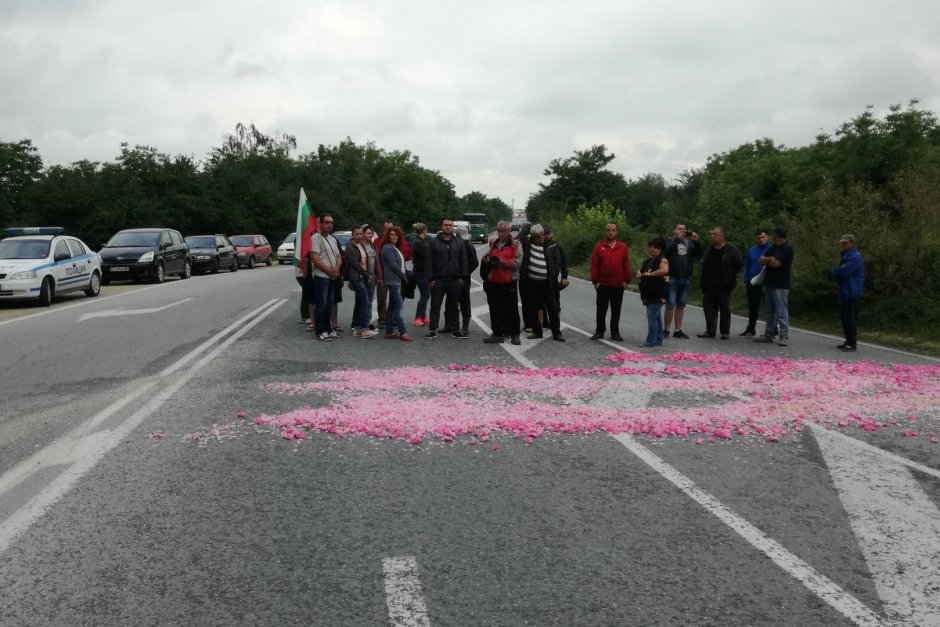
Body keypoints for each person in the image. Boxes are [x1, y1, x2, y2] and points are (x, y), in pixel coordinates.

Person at [520, 224, 565, 341]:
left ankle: (557, 333)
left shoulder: (551, 245)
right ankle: (537, 331)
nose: (541, 238)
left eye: (542, 235)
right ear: (533, 237)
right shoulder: (528, 244)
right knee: (532, 307)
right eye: (537, 236)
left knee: (553, 308)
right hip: (532, 283)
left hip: (548, 283)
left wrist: (553, 274)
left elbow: (558, 262)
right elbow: (520, 236)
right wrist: (528, 228)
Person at [697, 226, 743, 339]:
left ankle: (725, 331)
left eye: (715, 234)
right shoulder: (710, 248)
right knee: (708, 307)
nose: (713, 236)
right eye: (712, 234)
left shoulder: (730, 249)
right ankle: (710, 330)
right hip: (709, 283)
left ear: (722, 235)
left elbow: (739, 263)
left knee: (724, 308)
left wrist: (731, 274)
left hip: (724, 283)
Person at [425, 218, 467, 339]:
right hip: (438, 280)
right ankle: (432, 329)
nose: (448, 227)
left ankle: (455, 329)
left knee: (454, 305)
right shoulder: (433, 242)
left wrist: (462, 277)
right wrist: (431, 279)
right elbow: (429, 261)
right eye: (445, 225)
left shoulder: (459, 242)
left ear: (452, 227)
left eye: (450, 225)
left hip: (455, 280)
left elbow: (464, 260)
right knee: (435, 305)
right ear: (441, 226)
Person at [481, 221, 522, 345]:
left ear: (509, 231)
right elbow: (489, 256)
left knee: (512, 309)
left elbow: (517, 262)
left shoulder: (515, 243)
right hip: (494, 282)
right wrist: (488, 260)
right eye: (498, 231)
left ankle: (515, 335)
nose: (500, 233)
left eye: (502, 231)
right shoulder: (496, 244)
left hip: (509, 282)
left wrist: (501, 262)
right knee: (494, 310)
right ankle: (497, 334)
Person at [590, 222, 631, 341]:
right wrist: (595, 280)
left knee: (616, 310)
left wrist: (626, 280)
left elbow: (626, 264)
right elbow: (594, 265)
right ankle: (599, 331)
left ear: (616, 232)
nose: (610, 232)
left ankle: (615, 332)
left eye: (613, 230)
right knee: (601, 309)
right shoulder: (599, 247)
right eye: (608, 230)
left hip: (618, 285)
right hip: (603, 284)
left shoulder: (622, 247)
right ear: (605, 232)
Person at [754, 226, 794, 347]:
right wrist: (770, 258)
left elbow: (777, 264)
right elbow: (760, 260)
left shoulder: (788, 248)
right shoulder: (773, 247)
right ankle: (768, 334)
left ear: (777, 235)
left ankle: (784, 336)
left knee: (781, 311)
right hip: (768, 283)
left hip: (781, 284)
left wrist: (768, 260)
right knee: (769, 311)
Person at [662, 223, 702, 339]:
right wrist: (676, 240)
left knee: (681, 305)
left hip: (685, 278)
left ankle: (678, 330)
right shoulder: (670, 241)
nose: (682, 231)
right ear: (674, 230)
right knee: (670, 304)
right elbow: (666, 253)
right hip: (672, 277)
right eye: (679, 228)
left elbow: (699, 254)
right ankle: (666, 329)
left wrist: (696, 241)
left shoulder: (689, 243)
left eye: (684, 229)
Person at [309, 213, 342, 341]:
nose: (330, 225)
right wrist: (329, 271)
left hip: (332, 276)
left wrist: (337, 269)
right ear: (320, 224)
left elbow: (338, 256)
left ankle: (328, 329)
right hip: (322, 276)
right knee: (321, 303)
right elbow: (315, 259)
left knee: (329, 303)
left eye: (332, 223)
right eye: (327, 222)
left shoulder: (333, 239)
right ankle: (320, 331)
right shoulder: (316, 238)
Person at [343, 226, 378, 338]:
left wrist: (367, 274)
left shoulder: (361, 245)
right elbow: (355, 264)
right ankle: (364, 329)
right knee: (364, 301)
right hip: (356, 277)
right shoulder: (350, 246)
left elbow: (366, 260)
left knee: (359, 302)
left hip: (362, 276)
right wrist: (367, 275)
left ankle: (357, 327)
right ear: (352, 235)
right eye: (357, 234)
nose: (359, 236)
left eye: (360, 234)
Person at [831, 233, 864, 352]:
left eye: (845, 243)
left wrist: (835, 270)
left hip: (852, 291)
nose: (842, 245)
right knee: (845, 318)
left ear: (851, 243)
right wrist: (837, 270)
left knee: (850, 318)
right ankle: (848, 340)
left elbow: (844, 271)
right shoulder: (846, 256)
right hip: (845, 291)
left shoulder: (855, 256)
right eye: (842, 243)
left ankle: (852, 342)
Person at [379, 226, 413, 341]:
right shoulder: (387, 248)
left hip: (396, 280)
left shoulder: (394, 247)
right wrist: (404, 276)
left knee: (392, 308)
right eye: (392, 234)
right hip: (394, 281)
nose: (394, 237)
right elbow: (393, 265)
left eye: (396, 235)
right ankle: (403, 332)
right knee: (398, 308)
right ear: (388, 236)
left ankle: (389, 331)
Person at [637, 237, 669, 347]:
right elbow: (641, 272)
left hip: (657, 293)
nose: (651, 249)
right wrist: (639, 274)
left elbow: (664, 270)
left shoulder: (662, 260)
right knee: (657, 317)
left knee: (651, 317)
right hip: (648, 293)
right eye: (650, 247)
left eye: (654, 247)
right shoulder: (648, 261)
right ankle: (658, 339)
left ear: (660, 249)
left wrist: (650, 274)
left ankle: (651, 341)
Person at [740, 229, 772, 336]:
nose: (761, 239)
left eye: (763, 237)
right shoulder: (752, 251)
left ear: (767, 237)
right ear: (756, 239)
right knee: (753, 307)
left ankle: (772, 330)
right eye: (759, 238)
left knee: (770, 307)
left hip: (767, 282)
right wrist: (746, 280)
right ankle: (751, 328)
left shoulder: (772, 249)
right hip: (753, 281)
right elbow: (747, 265)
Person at [455, 224, 479, 338]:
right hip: (452, 278)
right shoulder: (453, 243)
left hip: (464, 279)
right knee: (452, 302)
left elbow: (475, 262)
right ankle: (452, 325)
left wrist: (465, 273)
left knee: (464, 302)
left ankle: (465, 327)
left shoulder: (468, 245)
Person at [543, 225, 569, 315]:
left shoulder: (557, 247)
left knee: (555, 304)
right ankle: (544, 324)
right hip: (541, 280)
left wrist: (564, 277)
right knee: (541, 304)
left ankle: (556, 323)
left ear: (551, 234)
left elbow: (564, 263)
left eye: (548, 233)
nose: (546, 236)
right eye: (544, 234)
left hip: (553, 281)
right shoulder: (538, 246)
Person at [410, 223, 431, 327]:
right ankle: (417, 318)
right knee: (425, 295)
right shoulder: (418, 242)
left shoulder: (420, 241)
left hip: (422, 272)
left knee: (426, 295)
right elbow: (427, 256)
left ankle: (423, 316)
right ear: (424, 231)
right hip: (420, 272)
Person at [361, 225, 378, 330]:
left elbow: (376, 262)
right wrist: (366, 275)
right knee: (363, 300)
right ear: (362, 234)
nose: (370, 235)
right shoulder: (360, 246)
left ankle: (367, 321)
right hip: (363, 276)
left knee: (370, 300)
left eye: (371, 233)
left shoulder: (372, 246)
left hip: (373, 276)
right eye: (368, 233)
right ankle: (359, 322)